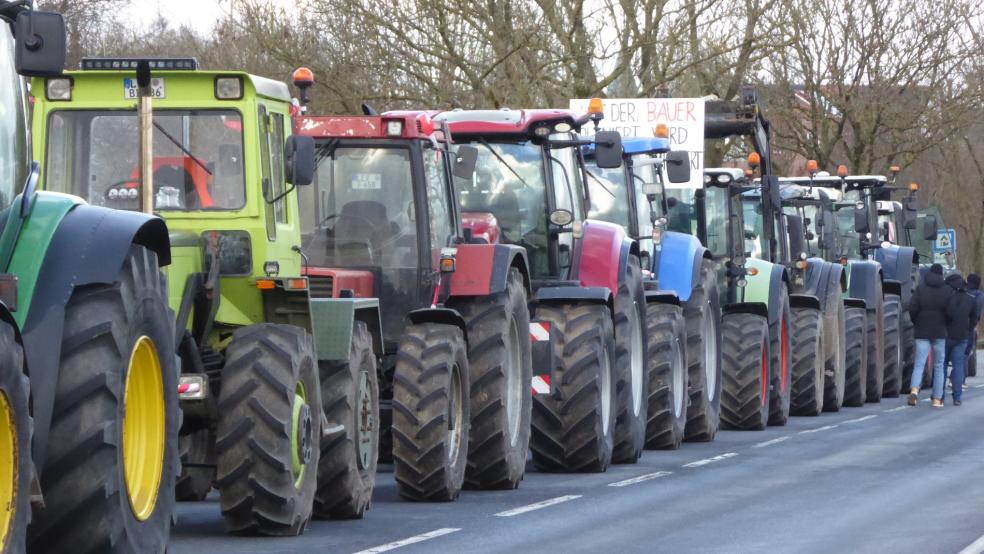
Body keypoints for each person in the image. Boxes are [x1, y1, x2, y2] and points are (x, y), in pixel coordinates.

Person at [908, 264, 952, 407]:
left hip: (922, 331)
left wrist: (917, 322)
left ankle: (914, 390)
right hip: (940, 332)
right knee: (939, 366)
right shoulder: (947, 290)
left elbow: (912, 308)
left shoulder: (920, 289)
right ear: (942, 275)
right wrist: (945, 324)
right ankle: (937, 399)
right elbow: (951, 313)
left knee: (920, 363)